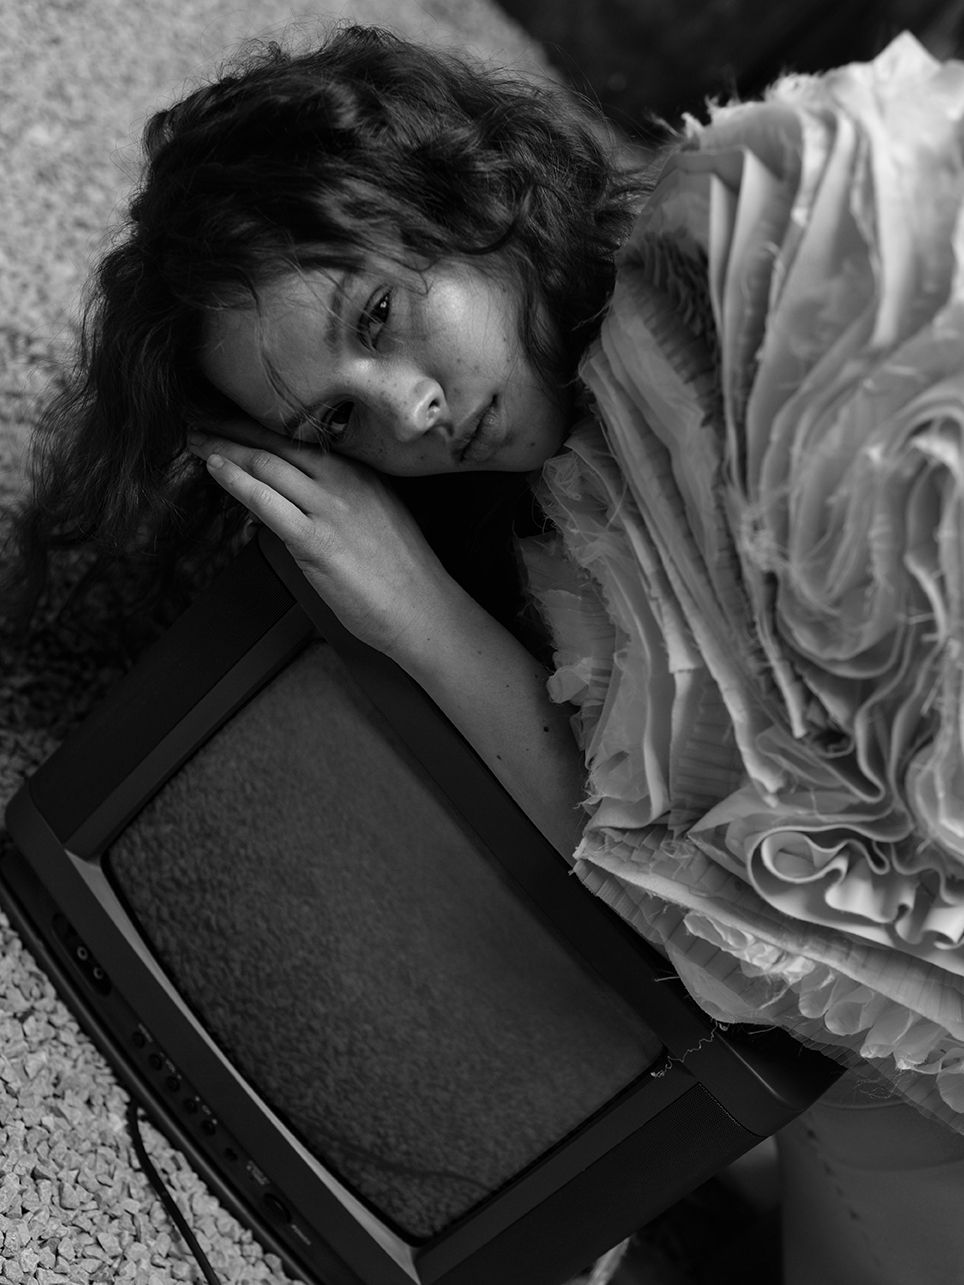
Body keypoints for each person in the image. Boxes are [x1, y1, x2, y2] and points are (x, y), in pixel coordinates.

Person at [11, 21, 964, 1285]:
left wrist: (421, 616)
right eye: (336, 419)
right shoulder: (555, 539)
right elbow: (713, 913)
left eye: (382, 313)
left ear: (474, 198)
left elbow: (748, 921)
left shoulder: (731, 307)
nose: (407, 409)